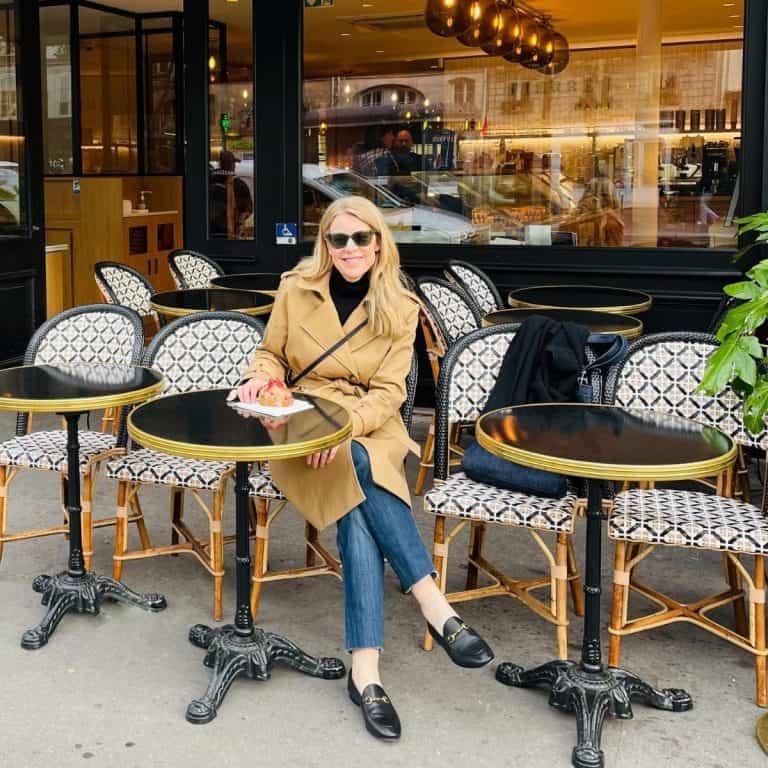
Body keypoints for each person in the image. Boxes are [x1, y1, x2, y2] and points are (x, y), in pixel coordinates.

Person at [235, 195, 493, 741]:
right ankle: (431, 603)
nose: (349, 249)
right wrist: (262, 376)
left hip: (368, 428)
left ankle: (366, 671)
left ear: (378, 242)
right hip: (302, 423)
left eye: (360, 238)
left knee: (356, 493)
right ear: (324, 244)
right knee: (357, 476)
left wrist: (343, 427)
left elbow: (391, 395)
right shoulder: (295, 286)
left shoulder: (400, 306)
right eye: (338, 239)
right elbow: (271, 353)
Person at [209, 150, 253, 238]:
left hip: (210, 229)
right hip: (230, 231)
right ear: (233, 164)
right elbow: (247, 209)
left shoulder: (209, 181)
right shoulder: (239, 184)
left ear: (219, 164)